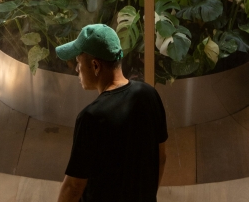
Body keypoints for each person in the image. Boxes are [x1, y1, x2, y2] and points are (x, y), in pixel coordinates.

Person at [55, 23, 168, 202]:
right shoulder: (149, 95)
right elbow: (161, 158)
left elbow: (74, 187)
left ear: (95, 66)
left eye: (78, 63)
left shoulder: (91, 117)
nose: (77, 70)